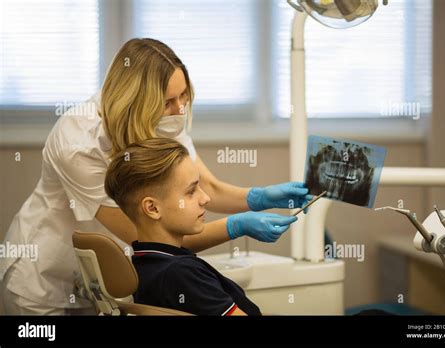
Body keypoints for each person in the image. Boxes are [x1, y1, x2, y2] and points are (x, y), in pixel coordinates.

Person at [0, 38, 313, 315]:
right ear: (138, 104)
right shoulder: (79, 141)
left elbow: (206, 187)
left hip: (99, 282)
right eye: (167, 102)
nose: (179, 109)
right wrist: (236, 225)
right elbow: (148, 232)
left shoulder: (164, 118)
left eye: (183, 97)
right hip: (44, 280)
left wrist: (259, 197)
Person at [105, 137, 266, 315]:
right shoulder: (183, 274)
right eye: (191, 191)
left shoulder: (144, 264)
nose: (205, 199)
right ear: (153, 208)